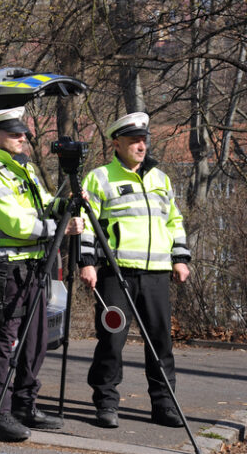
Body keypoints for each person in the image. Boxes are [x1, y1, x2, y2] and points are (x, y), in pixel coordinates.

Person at [0, 106, 84, 442]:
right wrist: (60, 229)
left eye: (24, 133)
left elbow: (45, 204)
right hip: (6, 269)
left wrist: (66, 205)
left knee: (35, 341)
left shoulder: (24, 170)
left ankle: (25, 405)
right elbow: (16, 224)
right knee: (4, 343)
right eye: (15, 133)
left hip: (34, 267)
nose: (23, 138)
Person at [78, 111, 191, 429]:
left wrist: (180, 258)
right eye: (134, 141)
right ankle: (106, 403)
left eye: (144, 140)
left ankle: (164, 404)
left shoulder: (161, 179)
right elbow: (86, 224)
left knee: (161, 343)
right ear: (117, 143)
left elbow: (174, 221)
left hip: (156, 273)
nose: (141, 146)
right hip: (117, 274)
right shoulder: (99, 178)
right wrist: (87, 263)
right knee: (111, 341)